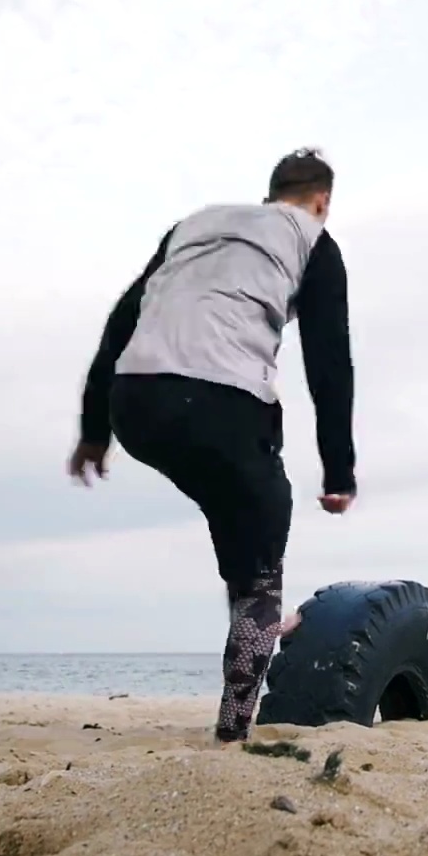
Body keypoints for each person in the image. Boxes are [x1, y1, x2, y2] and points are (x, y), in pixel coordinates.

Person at [68, 148, 357, 743]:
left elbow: (123, 320)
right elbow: (329, 363)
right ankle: (235, 722)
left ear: (270, 192)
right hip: (221, 400)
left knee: (234, 506)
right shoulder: (314, 242)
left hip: (137, 400)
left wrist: (95, 427)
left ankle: (251, 605)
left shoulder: (194, 226)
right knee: (263, 530)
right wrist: (339, 470)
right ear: (322, 201)